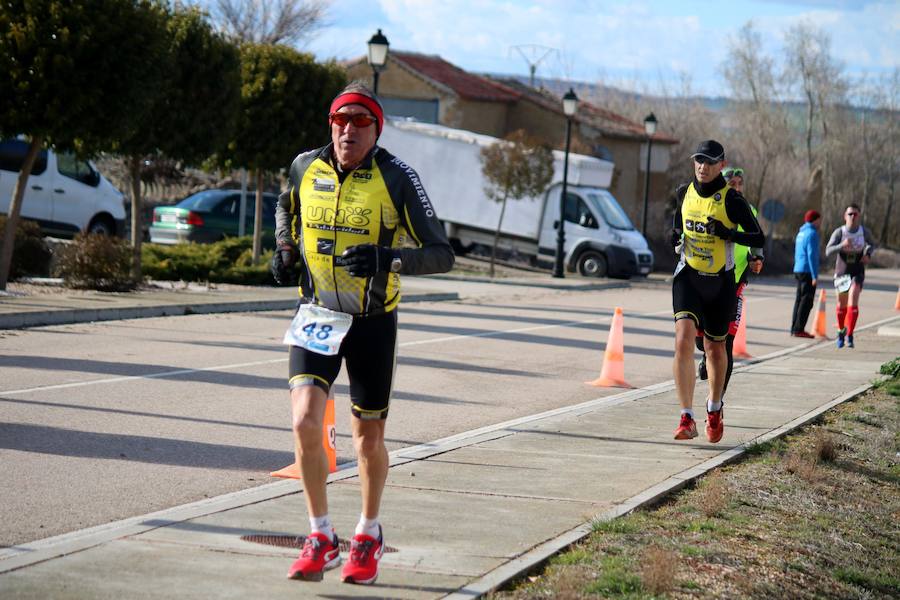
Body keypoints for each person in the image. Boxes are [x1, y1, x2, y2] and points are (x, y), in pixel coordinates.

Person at [271, 82, 454, 584]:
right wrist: (285, 248)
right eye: (340, 121)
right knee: (305, 421)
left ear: (377, 129)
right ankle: (320, 534)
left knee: (366, 440)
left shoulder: (397, 178)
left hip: (372, 322)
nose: (348, 130)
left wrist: (386, 258)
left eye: (360, 123)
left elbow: (441, 253)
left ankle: (368, 532)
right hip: (317, 314)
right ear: (330, 124)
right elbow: (285, 206)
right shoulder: (304, 166)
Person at [670, 141, 764, 443]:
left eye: (710, 162)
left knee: (714, 349)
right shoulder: (684, 192)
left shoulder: (732, 200)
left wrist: (728, 234)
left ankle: (714, 407)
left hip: (720, 283)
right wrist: (676, 239)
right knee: (683, 342)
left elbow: (757, 235)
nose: (703, 166)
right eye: (699, 160)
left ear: (721, 164)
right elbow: (677, 224)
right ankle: (687, 416)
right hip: (688, 277)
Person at [695, 166, 764, 398]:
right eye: (730, 183)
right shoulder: (709, 205)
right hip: (707, 280)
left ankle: (718, 401)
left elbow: (756, 239)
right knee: (701, 340)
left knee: (727, 343)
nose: (735, 188)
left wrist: (757, 257)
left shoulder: (748, 209)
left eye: (738, 184)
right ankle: (706, 354)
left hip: (735, 284)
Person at [825, 204, 876, 348]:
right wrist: (841, 245)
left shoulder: (864, 231)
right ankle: (841, 331)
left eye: (855, 214)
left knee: (853, 299)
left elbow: (873, 244)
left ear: (859, 216)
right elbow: (828, 251)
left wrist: (868, 254)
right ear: (845, 216)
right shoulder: (839, 232)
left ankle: (850, 335)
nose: (852, 217)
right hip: (842, 270)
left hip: (857, 270)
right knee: (842, 305)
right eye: (850, 214)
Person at [790, 210, 821, 338]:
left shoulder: (801, 232)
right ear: (815, 220)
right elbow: (812, 255)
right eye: (819, 219)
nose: (820, 222)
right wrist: (815, 276)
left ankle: (794, 328)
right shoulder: (812, 233)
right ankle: (799, 329)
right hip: (807, 270)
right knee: (806, 301)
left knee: (799, 300)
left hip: (798, 269)